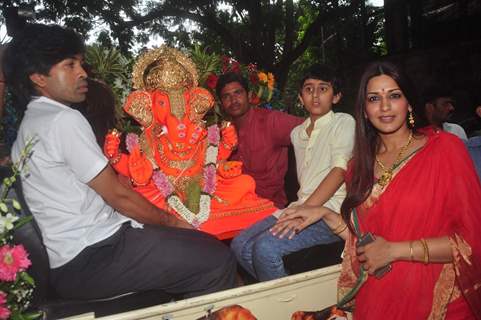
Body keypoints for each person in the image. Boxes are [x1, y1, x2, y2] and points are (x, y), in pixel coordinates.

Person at [4, 23, 236, 301]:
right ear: (39, 77)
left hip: (78, 255)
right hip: (95, 253)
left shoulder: (32, 122)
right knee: (216, 258)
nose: (82, 73)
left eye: (81, 63)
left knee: (191, 246)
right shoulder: (62, 119)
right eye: (70, 65)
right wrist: (174, 224)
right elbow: (118, 195)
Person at [281, 61, 481, 318]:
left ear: (409, 103)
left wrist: (395, 250)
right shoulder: (358, 166)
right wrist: (326, 214)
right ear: (364, 110)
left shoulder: (445, 150)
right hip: (379, 295)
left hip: (437, 297)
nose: (385, 107)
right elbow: (365, 244)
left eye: (394, 96)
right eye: (374, 98)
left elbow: (472, 242)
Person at [103, 46, 276, 239]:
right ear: (146, 106)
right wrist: (116, 156)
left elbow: (211, 157)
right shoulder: (150, 139)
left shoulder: (198, 131)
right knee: (142, 199)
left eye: (183, 102)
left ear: (193, 101)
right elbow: (137, 170)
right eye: (163, 103)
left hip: (203, 188)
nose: (177, 110)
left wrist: (227, 144)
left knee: (245, 182)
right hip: (164, 193)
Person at [230, 64, 355, 281]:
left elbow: (339, 170)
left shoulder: (343, 122)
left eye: (323, 89)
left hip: (330, 212)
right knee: (239, 245)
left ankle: (286, 304)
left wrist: (305, 211)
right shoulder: (297, 133)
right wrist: (298, 209)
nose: (315, 95)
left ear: (336, 97)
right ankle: (285, 287)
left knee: (265, 249)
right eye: (308, 89)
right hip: (299, 205)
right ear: (300, 97)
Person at [216, 72, 303, 209]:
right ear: (221, 105)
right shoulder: (219, 133)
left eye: (238, 93)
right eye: (227, 96)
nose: (233, 100)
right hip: (233, 206)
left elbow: (313, 130)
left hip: (269, 208)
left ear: (249, 95)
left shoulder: (271, 121)